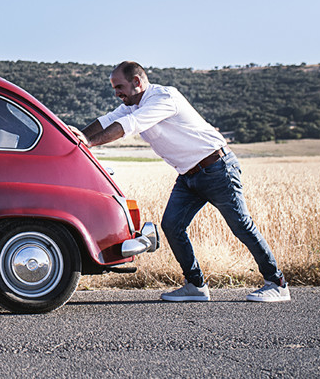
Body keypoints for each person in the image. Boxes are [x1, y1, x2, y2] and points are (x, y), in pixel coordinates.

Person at [72, 61, 290, 303]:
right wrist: (77, 139)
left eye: (119, 87)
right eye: (114, 88)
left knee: (241, 225)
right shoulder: (132, 105)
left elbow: (129, 126)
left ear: (137, 82)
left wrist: (90, 144)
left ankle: (277, 283)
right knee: (172, 226)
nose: (117, 93)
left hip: (217, 168)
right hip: (189, 176)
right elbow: (106, 121)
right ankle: (195, 285)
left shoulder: (164, 98)